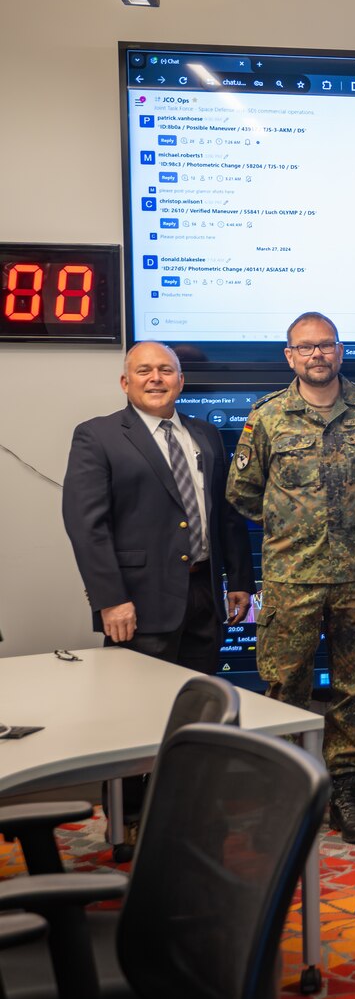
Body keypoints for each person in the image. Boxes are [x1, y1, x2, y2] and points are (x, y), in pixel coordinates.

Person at [62, 341, 254, 845]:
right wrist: (110, 599)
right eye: (143, 370)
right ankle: (127, 825)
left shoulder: (206, 435)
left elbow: (226, 515)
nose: (155, 378)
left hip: (204, 596)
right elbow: (87, 526)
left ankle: (189, 814)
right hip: (137, 604)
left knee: (200, 715)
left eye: (165, 370)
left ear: (180, 380)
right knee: (133, 719)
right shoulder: (98, 436)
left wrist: (238, 580)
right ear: (125, 383)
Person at [226, 311, 355, 844]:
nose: (317, 355)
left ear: (340, 351)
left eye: (325, 345)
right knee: (284, 688)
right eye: (305, 348)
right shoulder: (268, 417)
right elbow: (243, 493)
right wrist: (293, 526)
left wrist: (352, 524)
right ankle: (285, 793)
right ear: (290, 356)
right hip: (292, 576)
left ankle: (345, 793)